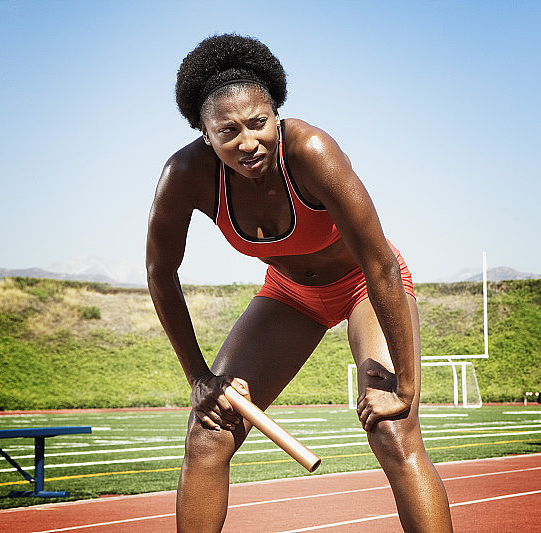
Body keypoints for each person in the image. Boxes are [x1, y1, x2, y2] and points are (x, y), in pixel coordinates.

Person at [146, 34, 453, 532]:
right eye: (227, 131)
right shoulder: (185, 174)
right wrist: (199, 378)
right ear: (205, 134)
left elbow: (379, 265)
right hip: (291, 295)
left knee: (394, 431)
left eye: (258, 123)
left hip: (364, 285)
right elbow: (161, 273)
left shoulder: (311, 151)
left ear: (277, 115)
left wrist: (408, 388)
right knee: (209, 433)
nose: (248, 142)